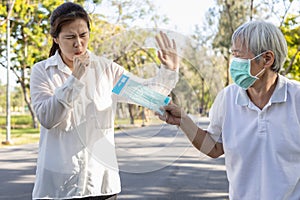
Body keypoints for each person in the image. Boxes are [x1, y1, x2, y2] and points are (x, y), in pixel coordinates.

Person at [30, 2, 179, 200]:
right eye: (70, 37)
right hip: (58, 190)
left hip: (101, 186)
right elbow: (48, 118)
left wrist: (168, 72)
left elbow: (148, 97)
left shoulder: (107, 70)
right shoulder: (42, 71)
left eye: (83, 35)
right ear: (56, 38)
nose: (78, 43)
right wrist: (75, 81)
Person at [158, 20, 300, 199]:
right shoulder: (227, 98)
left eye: (239, 56)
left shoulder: (296, 98)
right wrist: (182, 120)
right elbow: (214, 148)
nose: (234, 63)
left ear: (267, 59)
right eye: (232, 55)